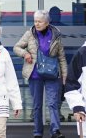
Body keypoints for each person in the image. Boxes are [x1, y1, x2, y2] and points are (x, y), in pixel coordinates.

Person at [13, 9, 68, 138]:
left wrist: (64, 76)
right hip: (35, 74)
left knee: (53, 103)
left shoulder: (56, 35)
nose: (37, 24)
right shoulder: (29, 34)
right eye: (35, 21)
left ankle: (55, 131)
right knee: (37, 105)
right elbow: (17, 47)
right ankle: (37, 132)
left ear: (47, 23)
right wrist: (25, 53)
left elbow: (62, 57)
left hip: (52, 74)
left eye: (40, 22)